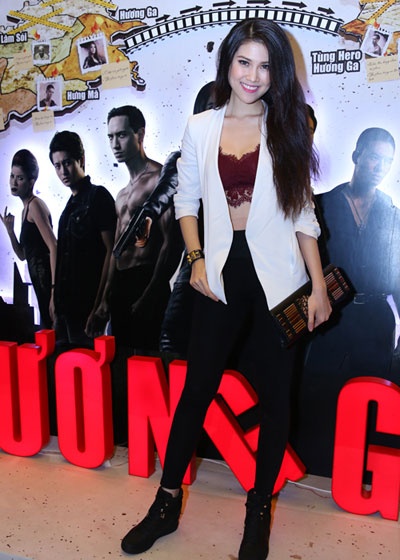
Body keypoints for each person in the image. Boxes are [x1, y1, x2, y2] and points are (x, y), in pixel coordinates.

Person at [120, 18, 331, 560]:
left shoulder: (287, 128)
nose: (253, 75)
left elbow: (302, 213)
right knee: (196, 390)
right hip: (218, 272)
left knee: (277, 396)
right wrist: (194, 260)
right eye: (244, 62)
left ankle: (258, 510)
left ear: (277, 74)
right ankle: (166, 504)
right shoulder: (200, 127)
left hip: (280, 277)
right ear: (228, 63)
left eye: (265, 66)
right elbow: (186, 200)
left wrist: (317, 286)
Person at [294, 127, 400, 476]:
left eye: (387, 161)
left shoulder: (392, 213)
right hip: (331, 314)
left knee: (370, 397)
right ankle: (315, 468)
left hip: (376, 319)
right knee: (319, 391)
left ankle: (362, 474)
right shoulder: (322, 205)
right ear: (356, 156)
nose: (379, 166)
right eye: (373, 157)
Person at [92, 105, 182, 350]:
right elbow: (116, 251)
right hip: (121, 285)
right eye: (110, 137)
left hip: (147, 278)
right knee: (122, 362)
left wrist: (151, 294)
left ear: (139, 135)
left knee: (149, 362)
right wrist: (104, 300)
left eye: (121, 135)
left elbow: (170, 243)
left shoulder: (160, 180)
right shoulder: (121, 194)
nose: (115, 144)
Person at [49, 130, 116, 348]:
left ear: (81, 159)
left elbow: (111, 251)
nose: (63, 171)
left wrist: (100, 305)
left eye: (67, 163)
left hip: (86, 308)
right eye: (57, 166)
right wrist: (54, 296)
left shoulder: (98, 197)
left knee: (88, 364)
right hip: (64, 309)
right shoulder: (68, 208)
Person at [1, 149, 57, 329]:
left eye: (20, 178)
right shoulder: (25, 209)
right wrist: (10, 231)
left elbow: (53, 246)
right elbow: (23, 255)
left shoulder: (34, 205)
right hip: (39, 282)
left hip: (47, 280)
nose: (14, 182)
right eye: (12, 176)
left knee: (54, 332)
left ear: (31, 181)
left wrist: (54, 290)